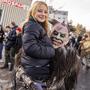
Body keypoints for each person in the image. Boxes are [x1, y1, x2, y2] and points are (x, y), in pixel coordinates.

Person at [16, 1, 55, 90]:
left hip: (37, 71)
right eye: (40, 11)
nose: (43, 14)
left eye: (45, 12)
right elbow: (30, 48)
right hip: (34, 73)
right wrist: (52, 51)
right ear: (33, 12)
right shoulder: (32, 25)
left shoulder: (38, 26)